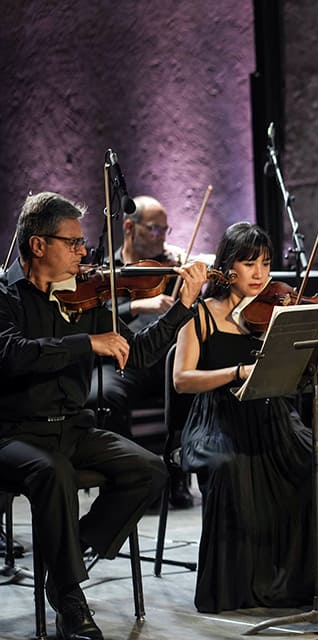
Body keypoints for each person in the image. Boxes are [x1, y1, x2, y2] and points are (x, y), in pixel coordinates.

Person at [0, 192, 207, 640]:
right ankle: (71, 598)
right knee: (51, 472)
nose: (83, 253)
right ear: (38, 245)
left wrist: (185, 306)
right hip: (14, 433)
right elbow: (12, 356)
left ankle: (65, 560)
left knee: (151, 471)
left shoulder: (84, 297)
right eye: (73, 243)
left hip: (72, 428)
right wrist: (86, 344)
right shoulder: (5, 296)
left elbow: (141, 352)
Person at [173, 221, 318, 613]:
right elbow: (182, 380)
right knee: (229, 469)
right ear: (227, 267)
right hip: (218, 419)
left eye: (266, 263)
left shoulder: (277, 312)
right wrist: (238, 372)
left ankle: (310, 584)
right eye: (248, 263)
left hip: (274, 414)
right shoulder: (199, 316)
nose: (259, 273)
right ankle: (238, 588)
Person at [85, 195, 194, 508]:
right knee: (100, 395)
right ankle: (133, 475)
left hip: (162, 358)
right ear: (130, 227)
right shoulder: (105, 271)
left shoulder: (169, 264)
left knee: (187, 378)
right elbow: (98, 311)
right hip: (122, 360)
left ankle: (176, 472)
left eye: (165, 230)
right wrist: (135, 305)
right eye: (154, 230)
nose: (161, 238)